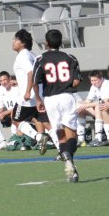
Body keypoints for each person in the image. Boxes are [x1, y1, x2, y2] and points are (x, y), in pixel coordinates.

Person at [33, 29, 82, 182]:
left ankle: (69, 166)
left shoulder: (40, 59)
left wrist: (38, 100)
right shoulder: (70, 58)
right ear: (61, 42)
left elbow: (35, 81)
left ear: (46, 43)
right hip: (67, 97)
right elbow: (76, 81)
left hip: (50, 100)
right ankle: (68, 156)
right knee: (72, 134)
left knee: (60, 133)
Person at [10, 29, 53, 154]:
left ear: (22, 43)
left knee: (15, 119)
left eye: (16, 39)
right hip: (39, 94)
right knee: (42, 121)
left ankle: (39, 138)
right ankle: (61, 147)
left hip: (29, 96)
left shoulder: (22, 55)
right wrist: (19, 83)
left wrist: (27, 91)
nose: (13, 42)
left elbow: (31, 72)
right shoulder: (32, 54)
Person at [75, 70, 109, 147]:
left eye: (95, 80)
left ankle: (98, 138)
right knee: (80, 108)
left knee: (98, 106)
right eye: (92, 80)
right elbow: (88, 101)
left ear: (101, 78)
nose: (93, 82)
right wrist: (80, 105)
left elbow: (104, 102)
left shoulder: (108, 84)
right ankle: (81, 139)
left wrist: (85, 105)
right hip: (101, 109)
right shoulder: (93, 87)